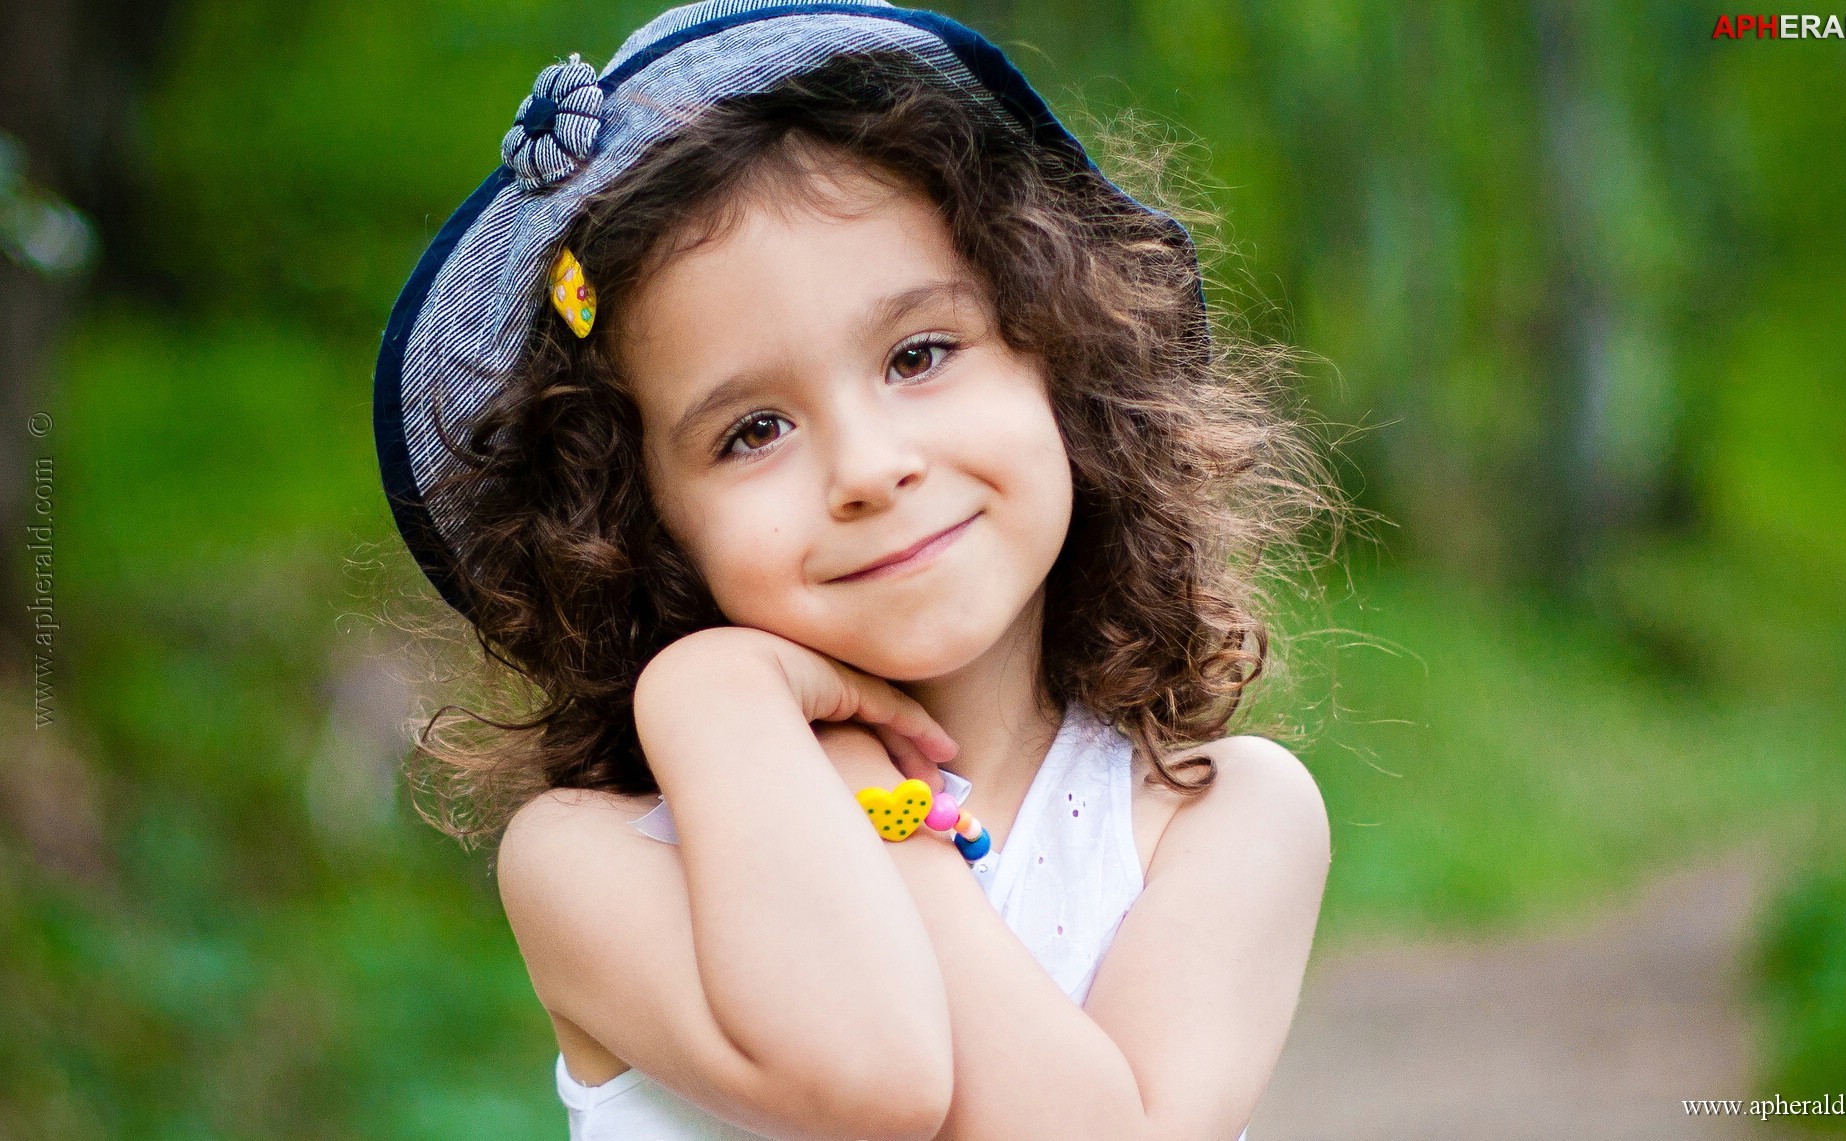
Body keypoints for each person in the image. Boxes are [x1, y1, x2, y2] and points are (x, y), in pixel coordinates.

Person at [374, 2, 1337, 1137]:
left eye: (919, 354)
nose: (869, 470)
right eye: (751, 431)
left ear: (1058, 351)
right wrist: (722, 702)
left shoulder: (1217, 818)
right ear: (640, 522)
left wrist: (869, 794)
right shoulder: (590, 860)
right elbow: (868, 1073)